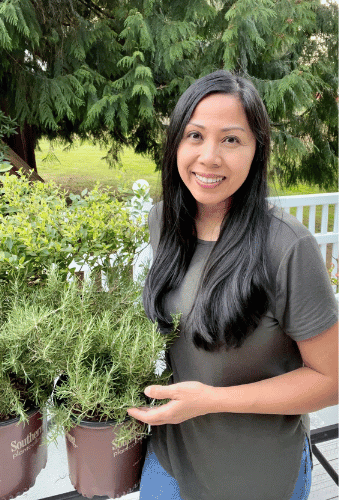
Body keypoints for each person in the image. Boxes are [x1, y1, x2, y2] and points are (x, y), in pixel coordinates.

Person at [128, 70, 338, 500]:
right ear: (175, 145)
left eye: (231, 139)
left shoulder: (286, 245)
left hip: (255, 476)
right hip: (168, 463)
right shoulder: (163, 218)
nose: (209, 157)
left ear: (256, 150)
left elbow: (331, 379)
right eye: (194, 135)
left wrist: (212, 400)